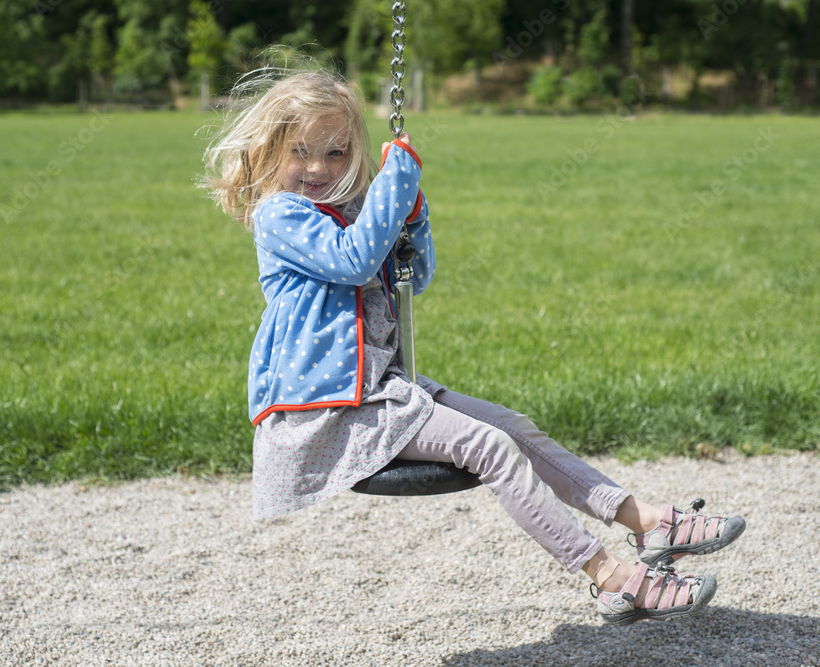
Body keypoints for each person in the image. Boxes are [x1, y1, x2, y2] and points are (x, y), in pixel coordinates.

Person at [202, 67, 745, 626]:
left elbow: (418, 274)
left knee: (514, 427)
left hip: (378, 387)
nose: (318, 168)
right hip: (327, 409)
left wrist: (415, 215)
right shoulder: (279, 214)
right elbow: (353, 261)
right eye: (301, 151)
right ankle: (612, 579)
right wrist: (394, 188)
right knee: (492, 448)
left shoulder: (354, 213)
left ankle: (647, 521)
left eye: (336, 154)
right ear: (270, 151)